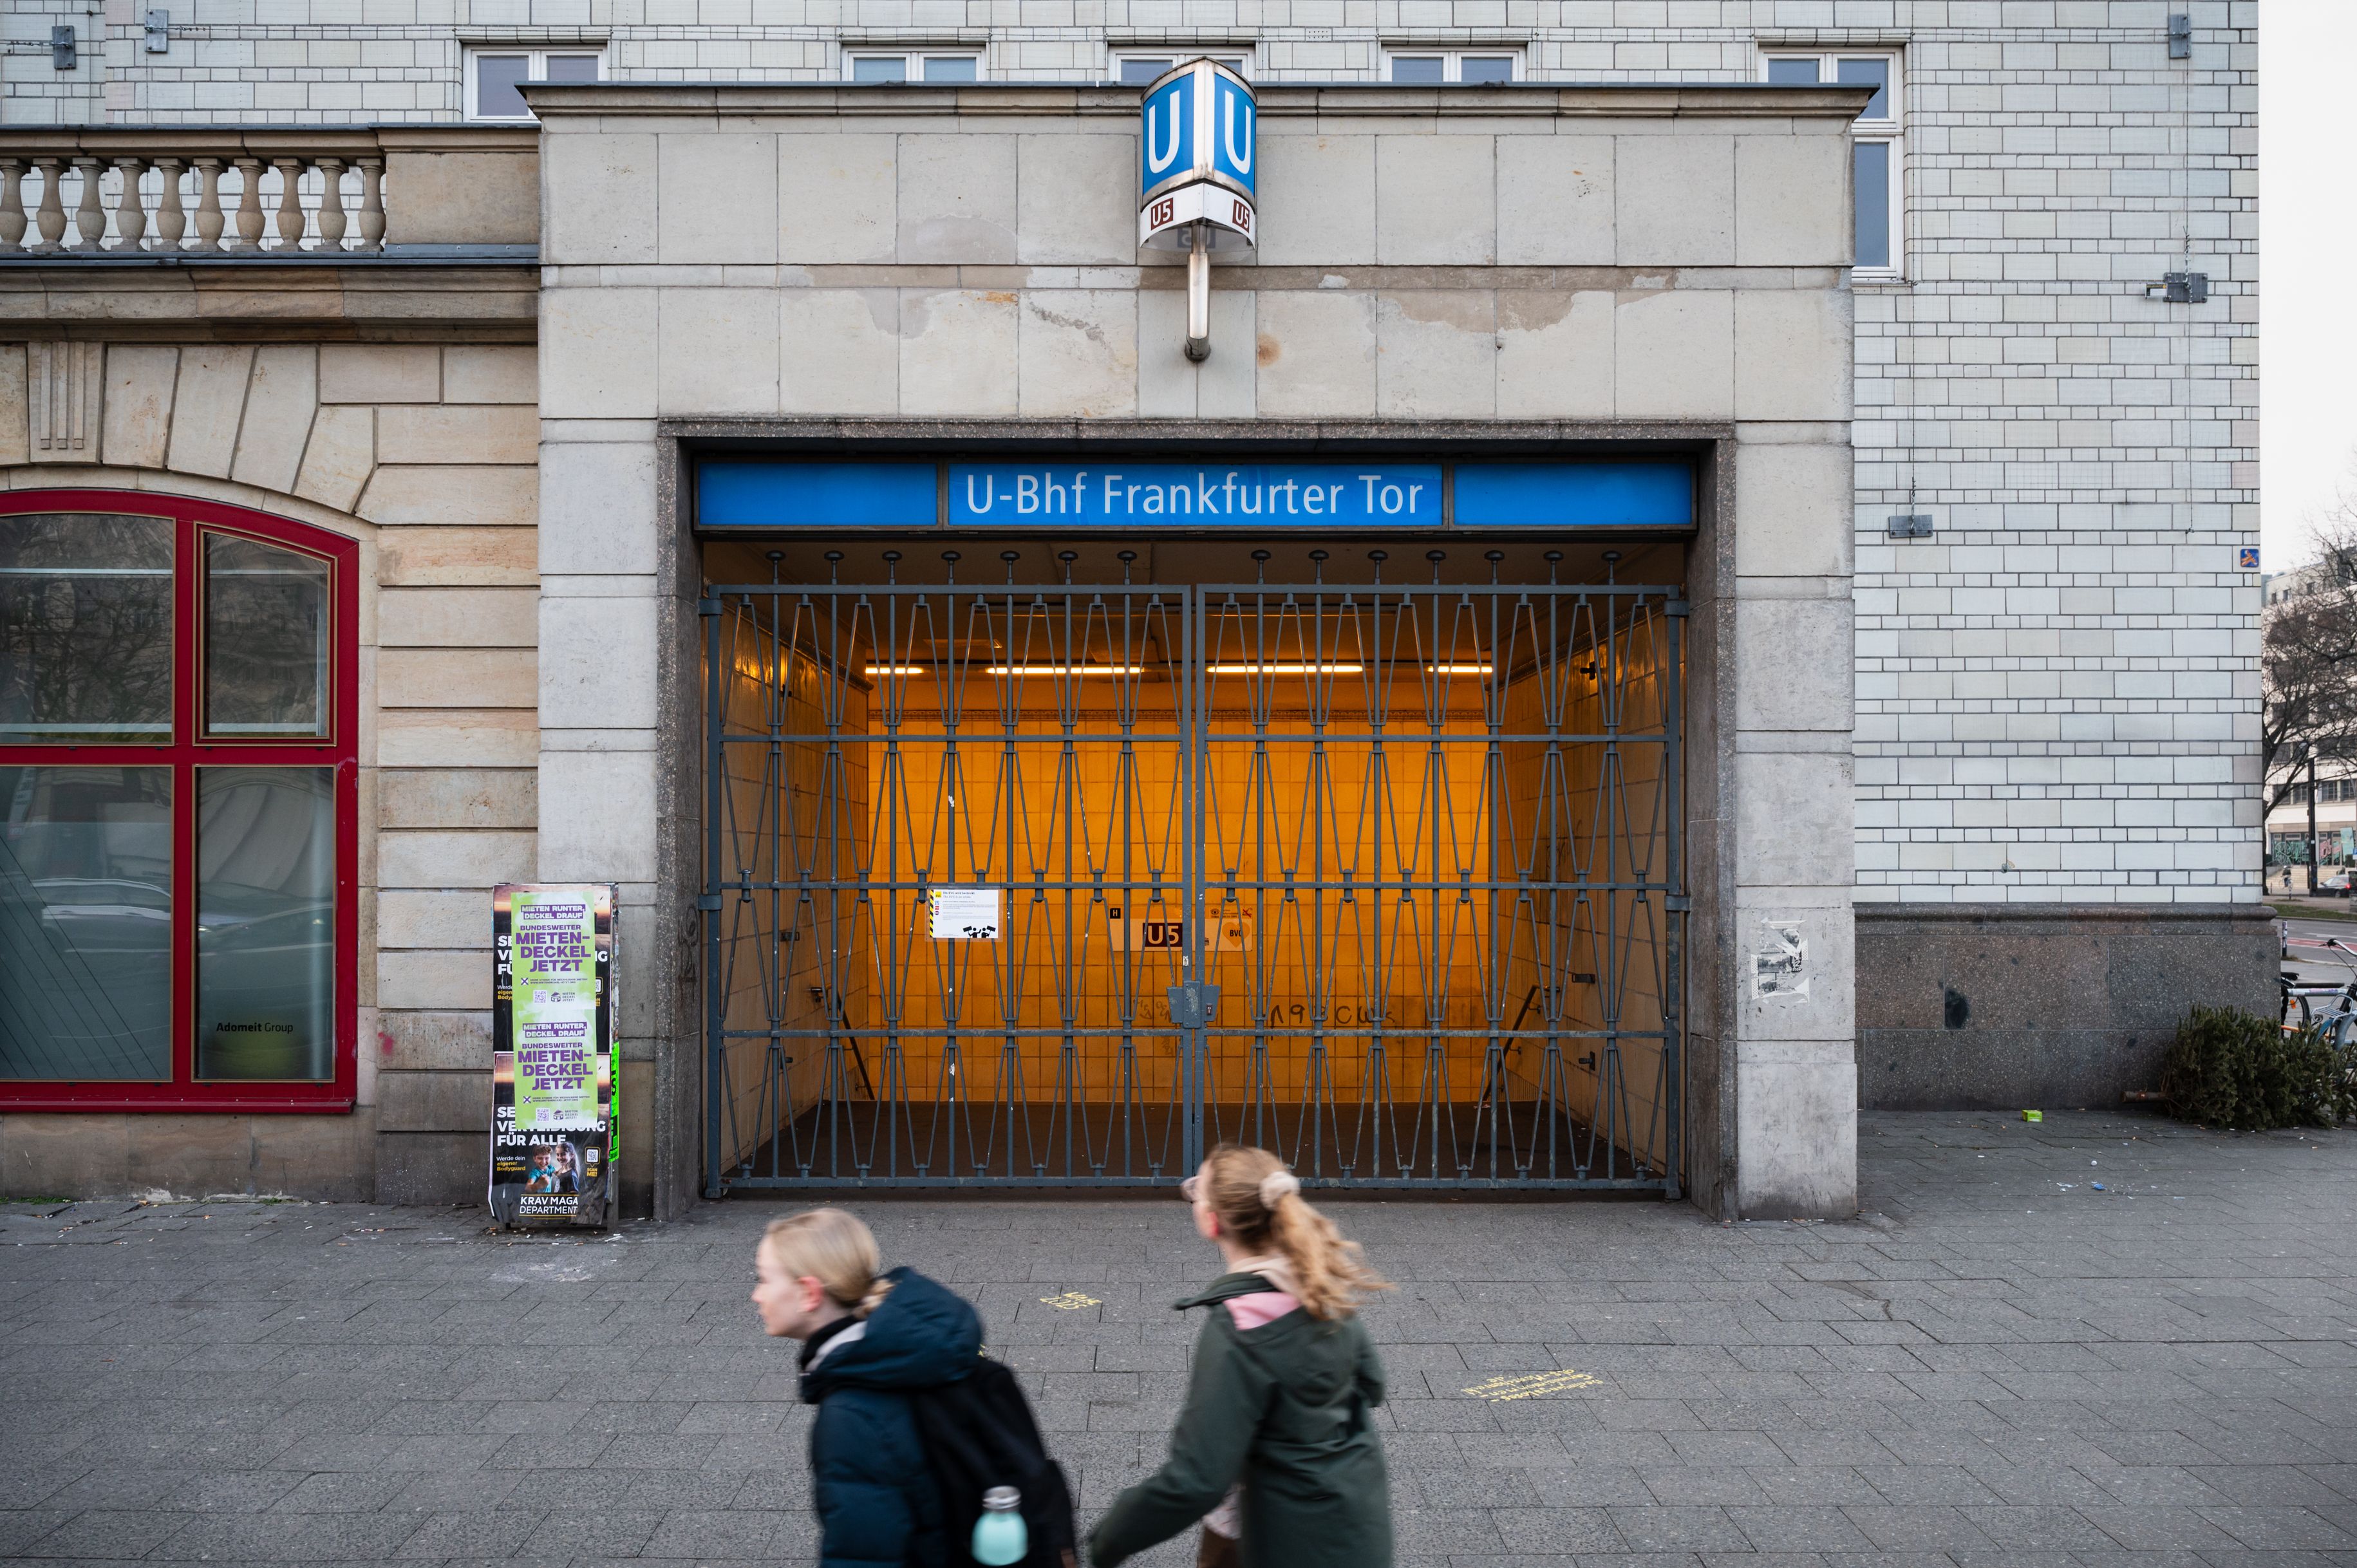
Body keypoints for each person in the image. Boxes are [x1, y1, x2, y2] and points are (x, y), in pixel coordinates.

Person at [1085, 1144, 1393, 1568]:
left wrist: (1107, 1540)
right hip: (1358, 1524)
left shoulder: (1239, 1328)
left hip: (1289, 1541)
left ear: (1211, 1221)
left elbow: (1194, 1481)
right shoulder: (1319, 1285)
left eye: (1196, 1191)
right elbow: (1372, 1385)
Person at [752, 1207, 982, 1568]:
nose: (757, 1296)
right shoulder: (908, 1352)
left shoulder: (852, 1412)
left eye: (764, 1280)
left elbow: (864, 1553)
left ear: (809, 1293)